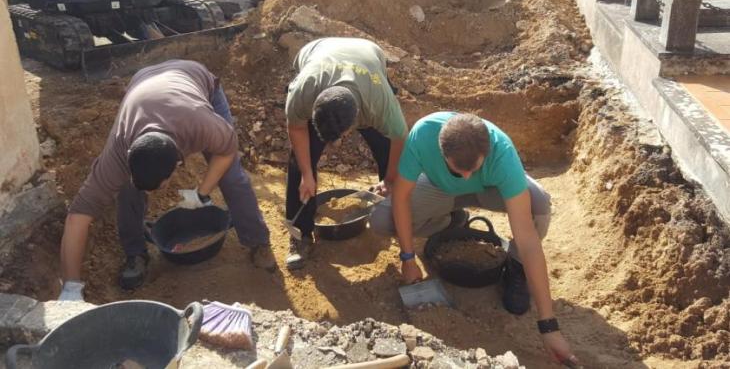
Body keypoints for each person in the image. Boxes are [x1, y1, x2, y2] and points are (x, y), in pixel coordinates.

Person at [370, 112, 579, 366]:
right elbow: (402, 197)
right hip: (442, 190)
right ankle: (451, 221)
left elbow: (527, 239)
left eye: (474, 168)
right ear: (441, 152)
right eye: (458, 170)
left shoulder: (502, 153)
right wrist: (407, 257)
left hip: (489, 190)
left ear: (486, 152)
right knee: (382, 219)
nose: (467, 176)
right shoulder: (423, 135)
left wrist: (549, 327)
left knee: (539, 205)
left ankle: (516, 267)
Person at [58, 60, 274, 301]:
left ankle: (258, 241)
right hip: (143, 85)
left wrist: (202, 193)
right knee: (127, 190)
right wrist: (70, 288)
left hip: (194, 80)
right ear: (128, 156)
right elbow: (77, 217)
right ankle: (135, 253)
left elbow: (227, 151)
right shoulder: (118, 150)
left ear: (177, 166)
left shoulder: (203, 125)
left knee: (232, 177)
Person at [285, 37, 407, 269]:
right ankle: (300, 234)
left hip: (368, 55)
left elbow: (400, 138)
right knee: (298, 162)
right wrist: (306, 174)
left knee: (388, 152)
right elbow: (296, 128)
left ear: (356, 121)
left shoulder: (378, 104)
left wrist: (390, 179)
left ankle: (393, 215)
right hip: (316, 52)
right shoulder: (303, 93)